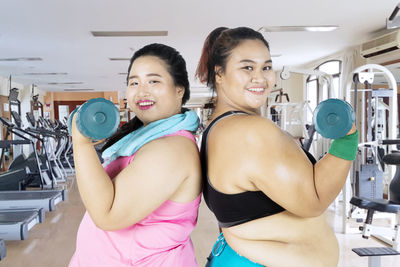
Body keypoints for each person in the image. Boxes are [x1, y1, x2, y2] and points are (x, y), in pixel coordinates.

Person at [195, 27, 358, 267]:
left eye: (266, 67)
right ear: (219, 74)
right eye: (247, 67)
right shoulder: (249, 131)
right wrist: (348, 137)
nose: (260, 78)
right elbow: (314, 200)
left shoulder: (218, 128)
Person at [69, 43, 202, 267]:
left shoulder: (171, 150)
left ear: (179, 89)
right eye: (134, 82)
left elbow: (107, 215)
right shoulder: (144, 136)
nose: (142, 91)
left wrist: (80, 140)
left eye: (154, 81)